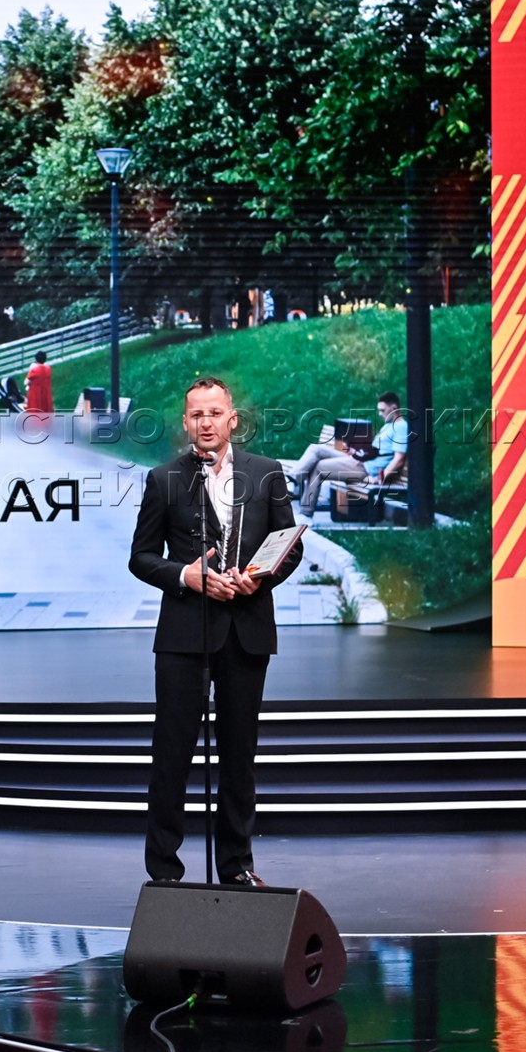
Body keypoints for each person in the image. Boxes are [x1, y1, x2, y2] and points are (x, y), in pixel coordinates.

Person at [128, 376, 304, 886]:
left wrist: (259, 578)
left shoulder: (266, 473)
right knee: (172, 754)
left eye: (214, 413)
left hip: (246, 631)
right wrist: (184, 575)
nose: (206, 422)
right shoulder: (163, 479)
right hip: (185, 634)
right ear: (186, 423)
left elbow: (289, 546)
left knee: (239, 757)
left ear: (233, 419)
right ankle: (164, 872)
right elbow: (141, 557)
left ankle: (237, 867)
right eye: (196, 415)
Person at [293, 391, 410, 515]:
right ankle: (294, 477)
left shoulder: (401, 427)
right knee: (316, 449)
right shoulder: (388, 425)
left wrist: (379, 478)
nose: (380, 414)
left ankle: (305, 513)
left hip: (365, 468)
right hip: (360, 459)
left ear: (394, 408)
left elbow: (399, 459)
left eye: (383, 410)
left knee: (318, 468)